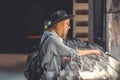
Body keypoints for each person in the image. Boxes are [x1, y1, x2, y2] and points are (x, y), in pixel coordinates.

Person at [40, 10, 100, 79]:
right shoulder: (53, 40)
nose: (69, 27)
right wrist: (93, 51)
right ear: (60, 25)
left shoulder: (47, 35)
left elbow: (53, 54)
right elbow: (73, 53)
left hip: (47, 73)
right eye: (67, 24)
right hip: (51, 76)